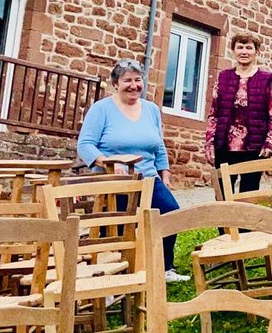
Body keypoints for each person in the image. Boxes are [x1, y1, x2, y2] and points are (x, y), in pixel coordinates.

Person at [77, 59, 189, 283]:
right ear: (116, 83)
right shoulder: (102, 109)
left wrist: (164, 173)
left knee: (170, 213)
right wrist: (107, 161)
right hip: (115, 180)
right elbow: (85, 144)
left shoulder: (151, 109)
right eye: (127, 80)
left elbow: (158, 145)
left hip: (148, 177)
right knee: (121, 227)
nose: (134, 85)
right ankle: (117, 274)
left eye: (138, 80)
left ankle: (164, 268)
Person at [204, 34, 272, 198]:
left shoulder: (266, 79)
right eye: (240, 47)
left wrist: (269, 143)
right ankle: (223, 225)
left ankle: (245, 226)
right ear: (233, 51)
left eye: (248, 48)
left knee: (248, 197)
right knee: (223, 196)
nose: (244, 52)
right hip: (224, 146)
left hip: (253, 147)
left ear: (257, 52)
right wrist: (209, 144)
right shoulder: (223, 77)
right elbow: (214, 113)